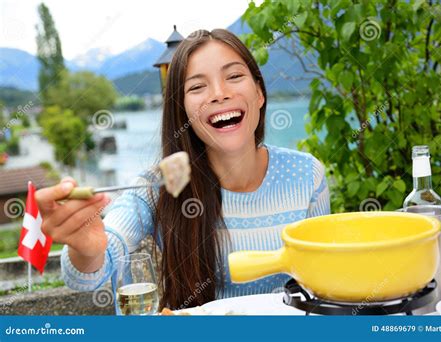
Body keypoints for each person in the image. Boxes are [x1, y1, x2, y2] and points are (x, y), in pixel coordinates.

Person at [36, 29, 330, 310]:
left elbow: (323, 280)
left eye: (235, 76)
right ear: (183, 111)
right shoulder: (155, 187)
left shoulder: (306, 176)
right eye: (197, 86)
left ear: (259, 93)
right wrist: (87, 248)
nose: (219, 93)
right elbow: (92, 268)